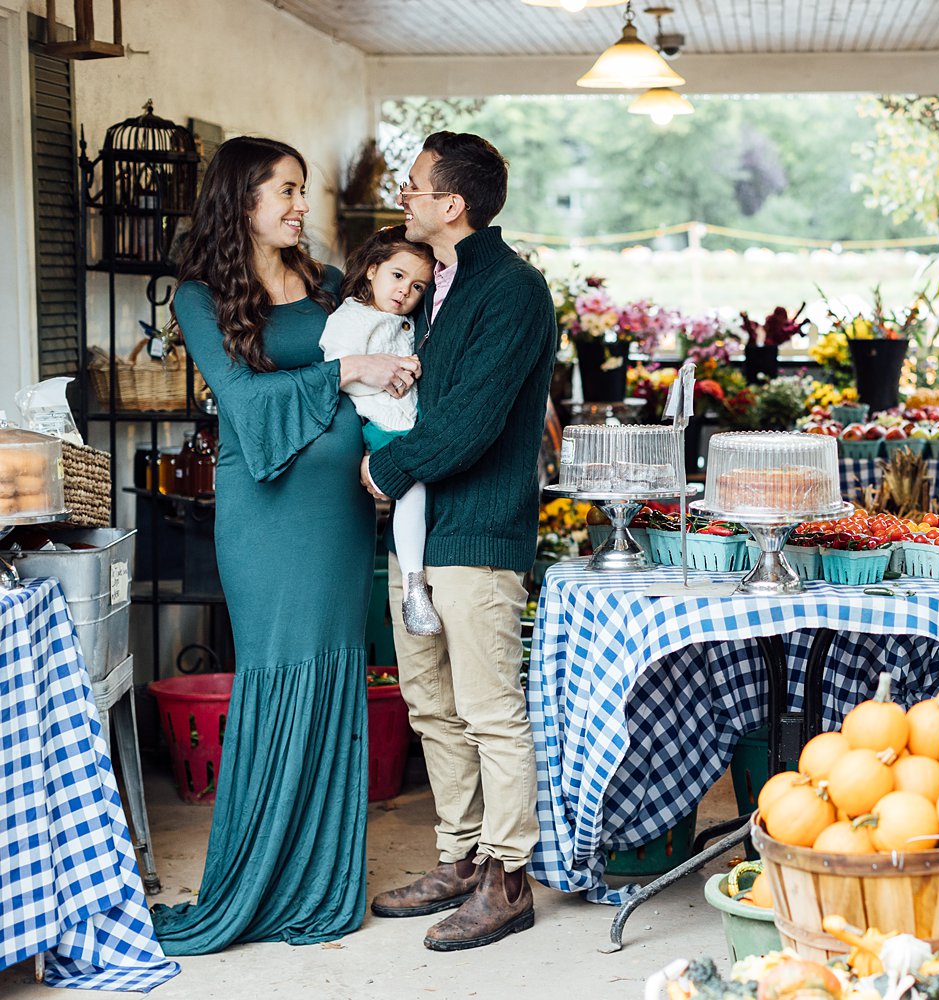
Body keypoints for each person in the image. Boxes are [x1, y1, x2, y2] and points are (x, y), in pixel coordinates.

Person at [151, 136, 418, 955]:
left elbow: (390, 354)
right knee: (278, 676)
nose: (302, 205)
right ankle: (258, 877)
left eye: (302, 191)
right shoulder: (200, 298)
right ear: (244, 201)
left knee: (334, 674)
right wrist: (345, 373)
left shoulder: (327, 282)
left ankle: (321, 878)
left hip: (341, 511)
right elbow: (239, 398)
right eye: (288, 191)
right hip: (267, 516)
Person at [362, 131, 557, 953]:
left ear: (453, 203)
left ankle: (507, 880)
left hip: (476, 533)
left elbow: (471, 423)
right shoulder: (440, 284)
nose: (402, 196)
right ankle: (460, 858)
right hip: (422, 540)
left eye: (414, 187)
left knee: (488, 714)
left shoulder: (511, 290)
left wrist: (387, 467)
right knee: (434, 709)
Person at [320, 226, 442, 635]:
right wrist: (386, 374)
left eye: (418, 285)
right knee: (414, 487)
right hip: (386, 424)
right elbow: (338, 369)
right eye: (397, 275)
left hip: (410, 420)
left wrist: (413, 368)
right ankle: (413, 585)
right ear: (372, 270)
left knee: (424, 488)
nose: (406, 290)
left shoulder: (402, 320)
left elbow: (408, 362)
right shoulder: (353, 315)